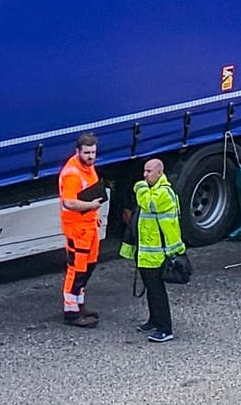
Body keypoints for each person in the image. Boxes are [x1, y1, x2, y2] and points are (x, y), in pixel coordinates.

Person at [119, 157, 186, 343]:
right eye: (144, 171)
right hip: (148, 253)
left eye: (149, 172)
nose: (145, 175)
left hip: (158, 254)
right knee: (150, 288)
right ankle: (154, 320)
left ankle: (165, 328)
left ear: (159, 173)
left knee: (157, 291)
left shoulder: (163, 193)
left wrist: (139, 187)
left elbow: (149, 204)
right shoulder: (152, 190)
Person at [57, 132, 107, 327]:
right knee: (76, 270)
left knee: (88, 266)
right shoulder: (72, 174)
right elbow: (69, 202)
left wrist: (94, 214)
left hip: (88, 226)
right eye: (87, 153)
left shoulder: (87, 168)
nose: (91, 156)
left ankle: (79, 304)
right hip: (77, 229)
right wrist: (91, 206)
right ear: (77, 151)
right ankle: (71, 313)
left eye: (93, 152)